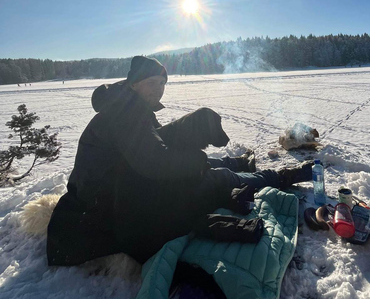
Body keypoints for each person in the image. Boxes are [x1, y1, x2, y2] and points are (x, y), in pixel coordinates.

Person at [47, 56, 313, 266]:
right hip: (111, 205)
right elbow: (155, 162)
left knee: (198, 162)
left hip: (121, 185)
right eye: (152, 83)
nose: (159, 90)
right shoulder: (124, 112)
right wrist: (198, 163)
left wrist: (192, 145)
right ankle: (280, 177)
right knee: (213, 178)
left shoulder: (128, 105)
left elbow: (157, 146)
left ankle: (235, 165)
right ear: (134, 83)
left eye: (162, 84)